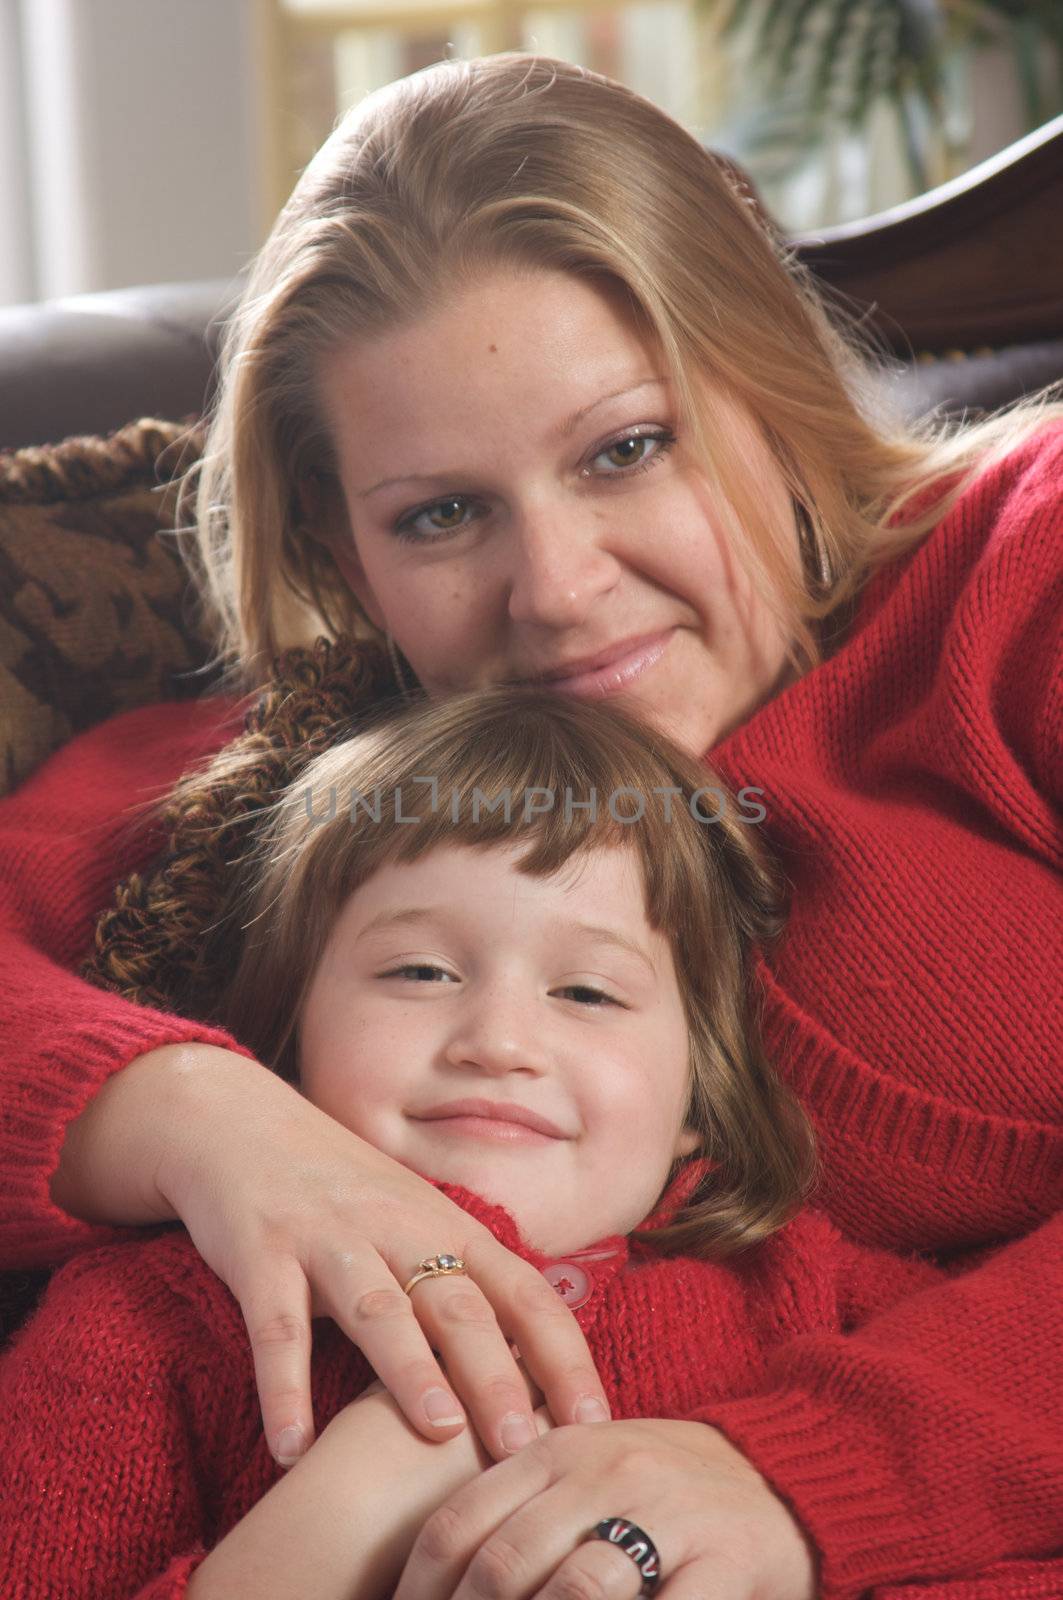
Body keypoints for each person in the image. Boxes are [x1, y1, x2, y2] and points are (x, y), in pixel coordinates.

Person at [0, 46, 1060, 1600]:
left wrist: (796, 1470)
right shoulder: (332, 784)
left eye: (625, 448)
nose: (554, 592)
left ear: (758, 376)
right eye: (438, 515)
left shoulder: (1017, 575)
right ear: (338, 546)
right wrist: (213, 1127)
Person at [1, 683, 947, 1600]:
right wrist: (321, 1539)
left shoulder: (813, 1300)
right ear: (282, 1051)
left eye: (586, 993)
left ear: (697, 1097)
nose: (498, 1042)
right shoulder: (146, 1330)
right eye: (418, 971)